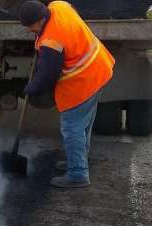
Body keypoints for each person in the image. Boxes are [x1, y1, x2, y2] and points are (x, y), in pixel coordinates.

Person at [18, 1, 115, 188]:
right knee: (83, 123)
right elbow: (73, 10)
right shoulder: (58, 6)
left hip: (84, 78)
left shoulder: (52, 41)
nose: (29, 30)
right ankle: (78, 160)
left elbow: (47, 75)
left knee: (72, 126)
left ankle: (78, 174)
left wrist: (31, 88)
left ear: (41, 19)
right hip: (99, 67)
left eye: (30, 26)